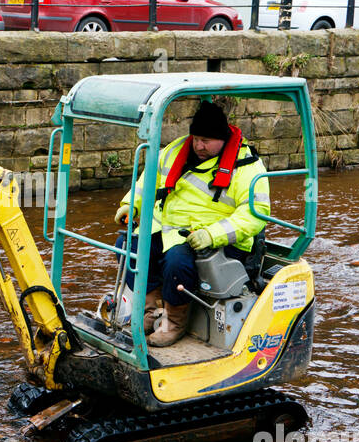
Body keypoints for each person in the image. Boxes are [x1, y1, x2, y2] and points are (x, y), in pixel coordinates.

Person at [114, 101, 270, 348]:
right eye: (196, 138)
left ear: (223, 138)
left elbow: (256, 213)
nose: (199, 146)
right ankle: (151, 312)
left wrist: (212, 234)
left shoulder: (248, 166)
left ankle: (173, 324)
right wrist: (131, 204)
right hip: (171, 229)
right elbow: (149, 179)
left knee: (177, 260)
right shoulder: (176, 150)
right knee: (126, 245)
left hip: (220, 238)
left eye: (206, 141)